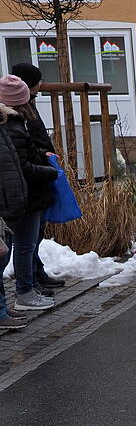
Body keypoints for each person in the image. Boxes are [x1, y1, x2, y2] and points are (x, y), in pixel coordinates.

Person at [0, 75, 59, 313]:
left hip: (18, 196)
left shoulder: (13, 124)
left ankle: (11, 301)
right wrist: (49, 172)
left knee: (17, 247)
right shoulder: (14, 126)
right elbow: (20, 166)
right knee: (21, 246)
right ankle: (22, 293)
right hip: (21, 197)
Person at [9, 62, 64, 292]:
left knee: (34, 235)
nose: (41, 85)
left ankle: (35, 274)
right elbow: (22, 152)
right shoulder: (16, 116)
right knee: (26, 241)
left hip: (38, 176)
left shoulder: (28, 107)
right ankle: (27, 284)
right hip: (30, 181)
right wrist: (45, 165)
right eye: (38, 81)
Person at [0, 103, 28, 329]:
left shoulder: (4, 124)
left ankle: (1, 308)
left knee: (2, 260)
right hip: (3, 208)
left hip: (8, 208)